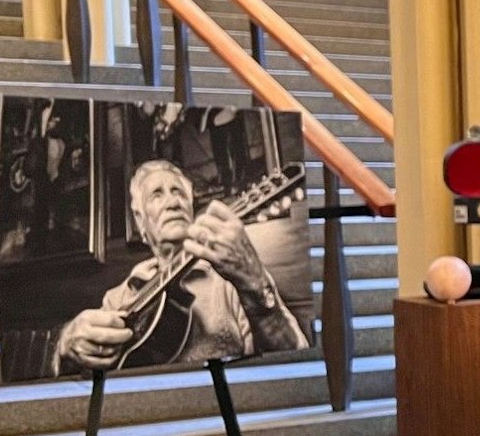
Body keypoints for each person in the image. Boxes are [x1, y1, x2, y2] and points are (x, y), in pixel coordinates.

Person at [54, 159, 306, 373]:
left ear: (190, 209)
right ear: (141, 223)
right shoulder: (117, 298)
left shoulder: (229, 279)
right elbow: (82, 379)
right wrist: (66, 347)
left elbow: (294, 366)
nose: (173, 202)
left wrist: (256, 284)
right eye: (157, 194)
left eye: (179, 193)